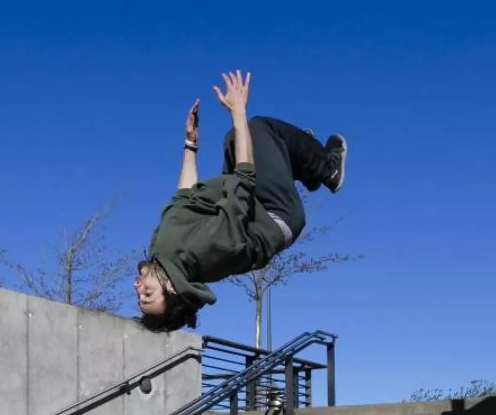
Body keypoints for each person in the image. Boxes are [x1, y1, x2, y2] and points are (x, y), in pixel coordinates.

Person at [136, 71, 347, 331]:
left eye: (140, 296)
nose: (139, 288)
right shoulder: (209, 250)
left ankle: (298, 163)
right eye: (148, 295)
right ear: (172, 288)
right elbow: (245, 178)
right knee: (257, 129)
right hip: (276, 215)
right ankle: (328, 170)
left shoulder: (159, 252)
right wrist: (238, 110)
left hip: (247, 205)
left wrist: (190, 144)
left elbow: (184, 196)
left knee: (234, 140)